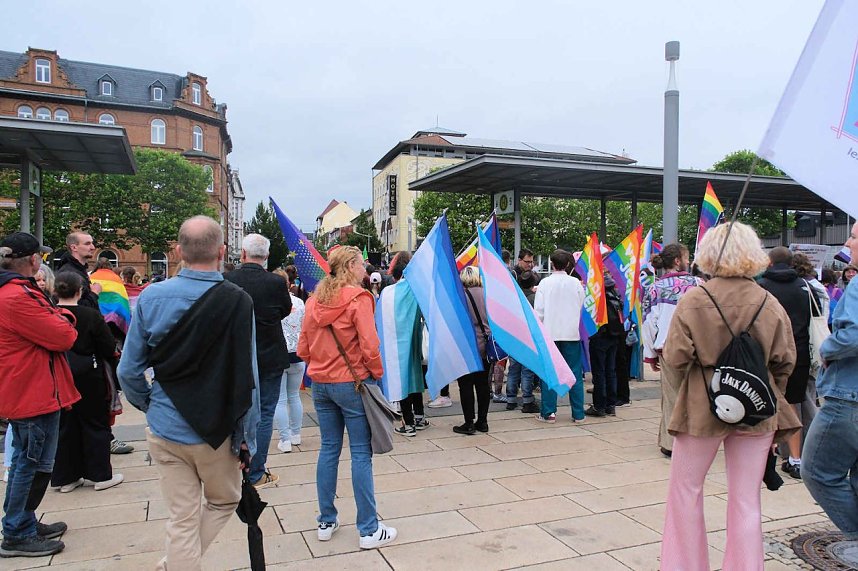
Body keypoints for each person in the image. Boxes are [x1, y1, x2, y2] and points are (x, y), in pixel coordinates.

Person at [117, 216, 259, 570]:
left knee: (181, 518)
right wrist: (247, 439)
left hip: (166, 427)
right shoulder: (238, 301)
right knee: (225, 501)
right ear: (223, 251)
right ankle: (174, 564)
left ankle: (177, 563)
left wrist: (150, 404)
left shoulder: (151, 296)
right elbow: (248, 378)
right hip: (215, 430)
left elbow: (128, 370)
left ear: (178, 251)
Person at [659, 222, 800, 570]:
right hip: (757, 406)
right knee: (746, 498)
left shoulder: (695, 298)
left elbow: (675, 357)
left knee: (685, 492)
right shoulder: (768, 301)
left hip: (699, 405)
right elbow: (785, 361)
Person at [296, 245, 397, 549]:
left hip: (321, 383)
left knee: (328, 449)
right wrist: (376, 375)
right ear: (351, 266)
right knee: (360, 454)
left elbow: (303, 347)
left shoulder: (314, 300)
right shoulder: (359, 299)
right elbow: (369, 346)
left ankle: (326, 520)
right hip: (352, 383)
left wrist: (320, 364)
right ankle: (368, 528)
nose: (366, 269)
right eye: (362, 264)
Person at [0, 232, 79, 558]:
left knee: (31, 461)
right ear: (33, 260)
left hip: (34, 387)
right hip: (31, 391)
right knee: (29, 464)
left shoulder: (16, 292)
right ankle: (17, 531)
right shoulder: (16, 297)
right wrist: (64, 314)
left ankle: (25, 521)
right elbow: (63, 336)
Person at [803, 219, 858, 541]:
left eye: (852, 237)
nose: (847, 244)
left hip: (848, 396)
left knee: (818, 471)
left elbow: (853, 335)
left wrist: (828, 348)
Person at [224, 233, 292, 489]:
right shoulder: (275, 283)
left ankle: (234, 465)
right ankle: (256, 471)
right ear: (266, 257)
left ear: (242, 254)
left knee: (237, 411)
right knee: (264, 413)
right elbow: (285, 310)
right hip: (270, 355)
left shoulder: (227, 280)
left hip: (237, 356)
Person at [51, 272, 123, 493]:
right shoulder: (90, 316)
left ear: (55, 291)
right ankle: (100, 475)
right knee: (95, 423)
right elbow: (107, 345)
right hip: (89, 373)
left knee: (65, 425)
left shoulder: (49, 314)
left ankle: (66, 477)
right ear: (80, 291)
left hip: (59, 373)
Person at [758, 246, 819, 479]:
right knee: (793, 404)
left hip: (766, 354)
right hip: (799, 353)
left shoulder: (762, 288)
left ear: (770, 263)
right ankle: (795, 459)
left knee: (764, 402)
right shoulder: (806, 287)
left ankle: (764, 454)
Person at [641, 243, 703, 457]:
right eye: (686, 257)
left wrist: (649, 355)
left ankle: (671, 442)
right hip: (697, 348)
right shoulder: (699, 284)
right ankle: (695, 439)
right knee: (696, 395)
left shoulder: (655, 288)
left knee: (671, 396)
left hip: (668, 348)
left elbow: (649, 323)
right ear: (678, 260)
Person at [533, 249, 586, 423]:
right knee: (575, 374)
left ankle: (549, 412)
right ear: (567, 264)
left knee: (549, 373)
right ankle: (578, 413)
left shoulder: (544, 283)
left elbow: (538, 311)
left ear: (552, 263)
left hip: (550, 334)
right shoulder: (576, 283)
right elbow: (580, 305)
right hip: (571, 333)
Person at [451, 267, 492, 434]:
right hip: (485, 345)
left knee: (466, 385)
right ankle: (482, 421)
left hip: (466, 346)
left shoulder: (461, 296)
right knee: (483, 385)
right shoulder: (487, 293)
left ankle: (468, 423)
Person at [273, 269, 306, 453]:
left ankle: (284, 440)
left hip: (278, 354)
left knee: (280, 400)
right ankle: (296, 434)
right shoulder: (299, 303)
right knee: (294, 396)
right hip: (298, 353)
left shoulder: (271, 303)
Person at [585, 272, 624, 417]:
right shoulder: (615, 293)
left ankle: (599, 406)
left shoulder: (597, 295)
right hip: (614, 336)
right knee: (610, 371)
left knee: (599, 372)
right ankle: (611, 405)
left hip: (600, 336)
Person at [506, 270, 540, 413]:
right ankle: (527, 400)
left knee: (513, 370)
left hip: (514, 337)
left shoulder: (513, 297)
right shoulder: (534, 298)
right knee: (527, 370)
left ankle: (511, 399)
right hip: (529, 338)